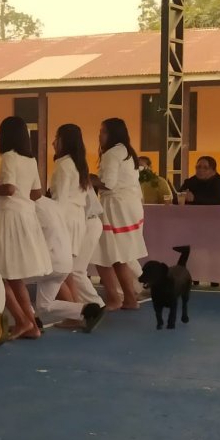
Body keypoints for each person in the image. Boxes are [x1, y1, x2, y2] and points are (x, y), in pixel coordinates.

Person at [0, 116, 51, 340]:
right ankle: (30, 324)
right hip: (27, 216)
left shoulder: (8, 157)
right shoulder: (30, 160)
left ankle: (23, 320)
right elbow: (37, 193)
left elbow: (8, 188)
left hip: (10, 218)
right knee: (15, 277)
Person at [90, 118, 147, 311]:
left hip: (116, 207)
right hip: (129, 206)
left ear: (112, 134)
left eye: (103, 131)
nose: (99, 135)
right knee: (118, 254)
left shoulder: (112, 154)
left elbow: (109, 183)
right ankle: (128, 298)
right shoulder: (127, 152)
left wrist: (88, 180)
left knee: (105, 255)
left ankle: (116, 298)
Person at [34, 196, 105, 332]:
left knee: (12, 280)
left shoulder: (32, 208)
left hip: (49, 262)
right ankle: (86, 310)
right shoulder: (53, 205)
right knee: (44, 305)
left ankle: (30, 320)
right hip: (64, 261)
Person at [50, 124, 89, 257]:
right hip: (76, 219)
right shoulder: (76, 163)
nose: (53, 143)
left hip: (65, 219)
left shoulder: (64, 164)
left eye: (57, 138)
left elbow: (60, 199)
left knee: (61, 268)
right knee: (67, 268)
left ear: (65, 141)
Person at [67, 186, 105, 307]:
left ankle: (96, 305)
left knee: (76, 270)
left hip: (88, 223)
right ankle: (86, 306)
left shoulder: (70, 174)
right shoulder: (82, 177)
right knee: (75, 270)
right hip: (90, 222)